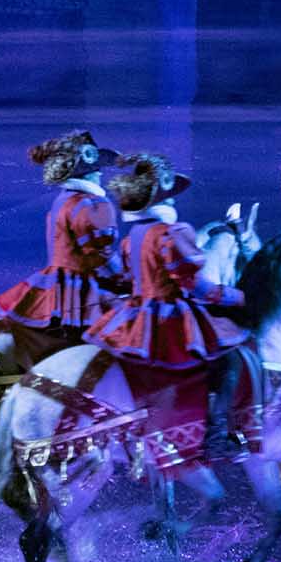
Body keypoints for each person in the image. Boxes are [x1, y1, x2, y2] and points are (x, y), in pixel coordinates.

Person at [83, 154, 250, 458]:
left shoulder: (133, 236)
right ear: (163, 197)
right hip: (168, 316)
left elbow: (127, 277)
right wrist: (237, 297)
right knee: (228, 361)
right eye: (171, 195)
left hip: (136, 314)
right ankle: (214, 436)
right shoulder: (171, 234)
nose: (174, 200)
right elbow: (195, 286)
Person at [0, 130, 130, 356]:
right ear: (86, 173)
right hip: (79, 285)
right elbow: (99, 254)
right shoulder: (92, 204)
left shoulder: (63, 200)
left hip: (57, 279)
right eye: (96, 169)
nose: (100, 173)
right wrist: (126, 278)